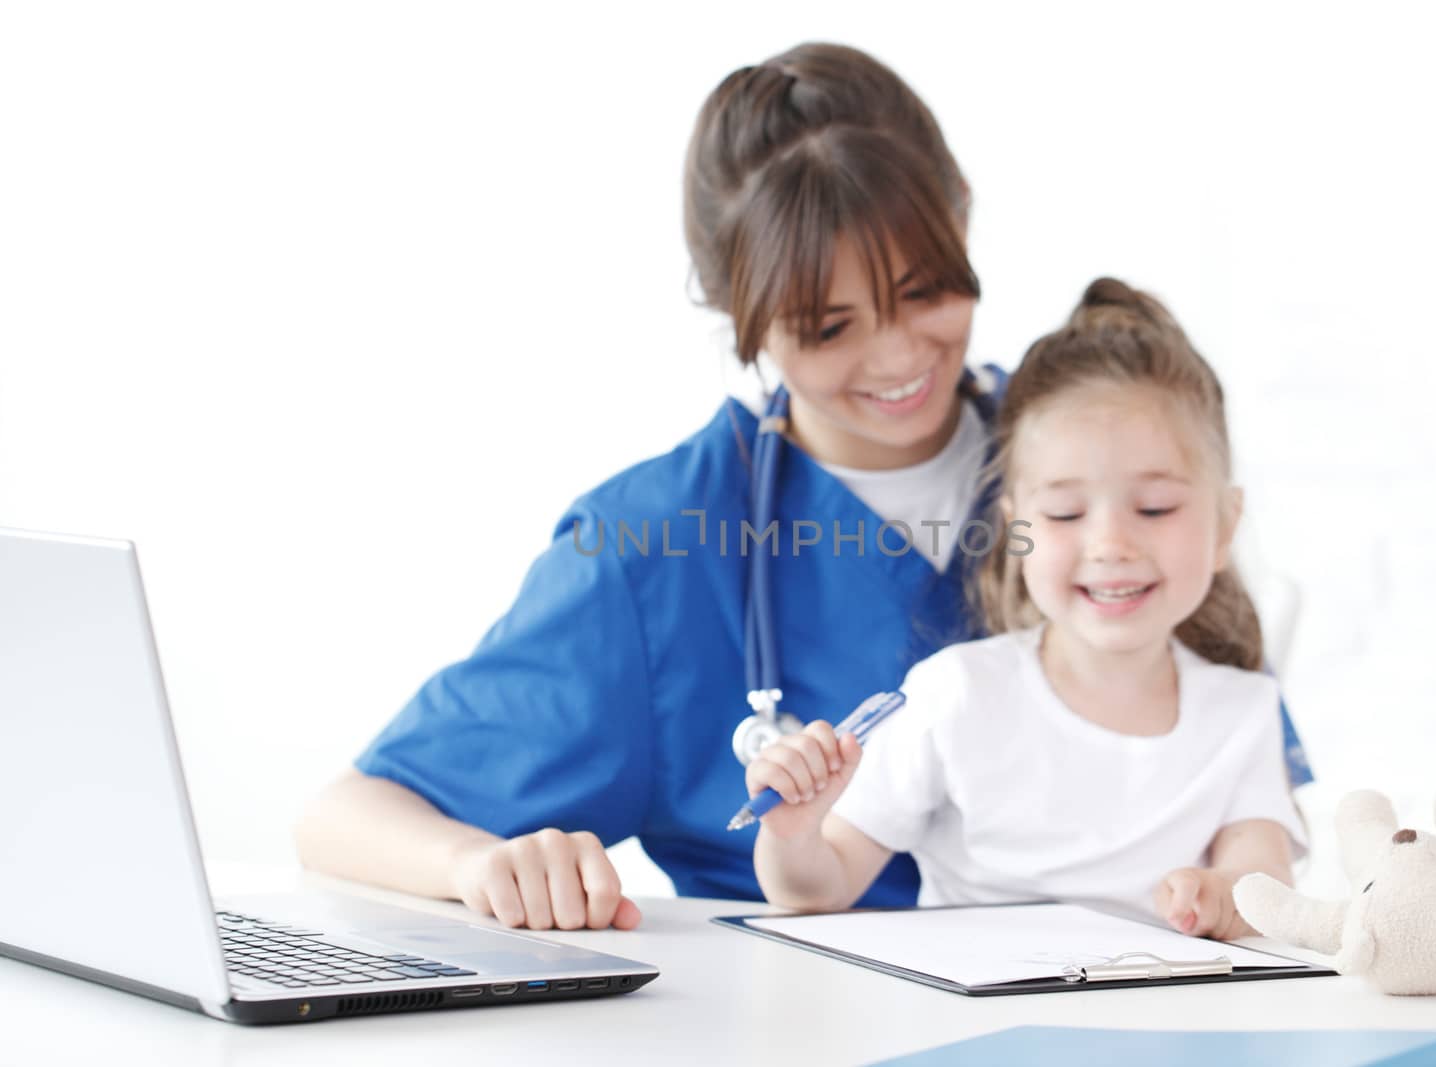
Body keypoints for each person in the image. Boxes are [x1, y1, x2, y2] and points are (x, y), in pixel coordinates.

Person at [293, 43, 1309, 933]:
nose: (899, 353)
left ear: (959, 210)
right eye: (827, 327)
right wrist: (482, 865)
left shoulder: (1109, 468)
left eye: (922, 290)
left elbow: (1236, 788)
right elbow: (341, 815)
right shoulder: (657, 545)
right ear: (738, 313)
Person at [747, 279, 1307, 941]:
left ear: (1224, 525)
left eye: (1155, 507)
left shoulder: (1241, 712)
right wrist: (795, 832)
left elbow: (1263, 892)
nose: (1111, 544)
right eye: (1067, 512)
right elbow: (821, 886)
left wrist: (1217, 897)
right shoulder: (957, 693)